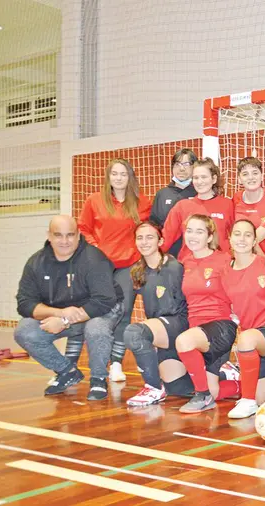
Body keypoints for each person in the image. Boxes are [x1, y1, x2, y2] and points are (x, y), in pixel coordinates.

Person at [14, 215, 124, 401]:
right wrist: (59, 314)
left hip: (102, 310)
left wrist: (65, 321)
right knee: (24, 331)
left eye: (70, 235)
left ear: (79, 235)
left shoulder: (94, 259)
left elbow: (103, 301)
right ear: (49, 236)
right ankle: (67, 371)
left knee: (95, 328)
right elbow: (24, 303)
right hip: (65, 315)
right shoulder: (36, 263)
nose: (64, 241)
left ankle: (98, 378)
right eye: (58, 235)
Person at [78, 158, 152, 382]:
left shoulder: (142, 203)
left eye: (123, 174)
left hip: (127, 267)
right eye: (115, 174)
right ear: (108, 177)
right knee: (97, 314)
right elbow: (83, 229)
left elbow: (150, 231)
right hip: (100, 268)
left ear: (130, 177)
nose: (119, 178)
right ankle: (93, 362)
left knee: (124, 312)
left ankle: (117, 364)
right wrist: (96, 249)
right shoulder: (94, 201)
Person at [174, 215, 241, 413]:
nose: (193, 236)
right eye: (189, 231)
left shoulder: (224, 259)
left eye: (199, 231)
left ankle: (201, 396)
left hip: (220, 327)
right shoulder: (185, 262)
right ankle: (241, 385)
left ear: (210, 236)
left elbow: (238, 290)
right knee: (214, 391)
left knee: (183, 342)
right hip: (198, 330)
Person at [124, 221, 194, 406]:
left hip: (179, 324)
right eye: (140, 238)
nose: (144, 242)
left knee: (134, 332)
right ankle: (223, 375)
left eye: (150, 237)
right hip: (163, 332)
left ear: (160, 240)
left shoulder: (174, 267)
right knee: (178, 388)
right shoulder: (138, 271)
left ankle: (153, 388)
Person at [223, 220, 265, 419]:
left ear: (255, 240)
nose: (242, 239)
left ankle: (246, 400)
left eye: (248, 234)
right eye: (237, 234)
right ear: (230, 238)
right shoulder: (225, 271)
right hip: (252, 342)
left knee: (247, 339)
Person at [162, 158, 235, 259]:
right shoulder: (182, 206)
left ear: (213, 179)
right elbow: (166, 238)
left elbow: (237, 234)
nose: (200, 181)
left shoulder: (228, 204)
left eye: (204, 177)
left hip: (221, 266)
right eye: (196, 178)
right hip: (190, 266)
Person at [150, 148, 198, 258]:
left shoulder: (199, 194)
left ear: (194, 167)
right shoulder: (162, 194)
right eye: (177, 164)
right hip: (167, 255)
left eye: (186, 164)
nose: (181, 168)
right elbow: (154, 224)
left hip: (193, 256)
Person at [233, 157, 265, 255]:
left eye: (255, 173)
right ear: (239, 179)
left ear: (262, 176)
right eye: (245, 174)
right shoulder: (235, 200)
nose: (251, 177)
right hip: (248, 262)